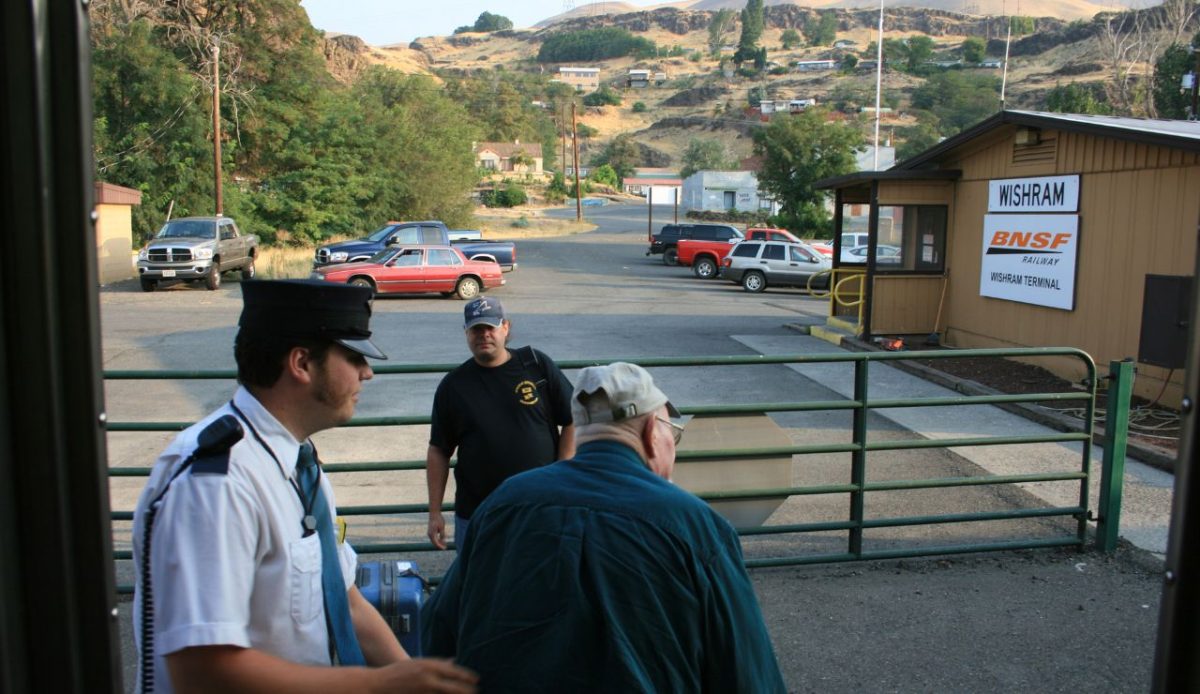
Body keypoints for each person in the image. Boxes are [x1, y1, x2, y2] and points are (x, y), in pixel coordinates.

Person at [132, 280, 477, 694]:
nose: (367, 372)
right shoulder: (217, 485)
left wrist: (414, 679)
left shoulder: (298, 461)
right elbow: (201, 669)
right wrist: (376, 685)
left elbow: (344, 597)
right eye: (353, 357)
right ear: (301, 363)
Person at [422, 362, 787, 692]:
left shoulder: (504, 503)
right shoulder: (696, 526)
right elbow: (749, 675)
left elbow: (437, 630)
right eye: (671, 433)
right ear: (651, 433)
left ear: (581, 433)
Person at [426, 296, 575, 550]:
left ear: (505, 327)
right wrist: (434, 512)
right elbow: (438, 450)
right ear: (466, 333)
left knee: (539, 580)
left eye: (490, 327)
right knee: (478, 584)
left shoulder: (536, 365)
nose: (483, 335)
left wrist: (561, 477)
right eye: (476, 329)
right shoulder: (453, 385)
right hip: (477, 512)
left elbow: (573, 420)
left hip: (539, 506)